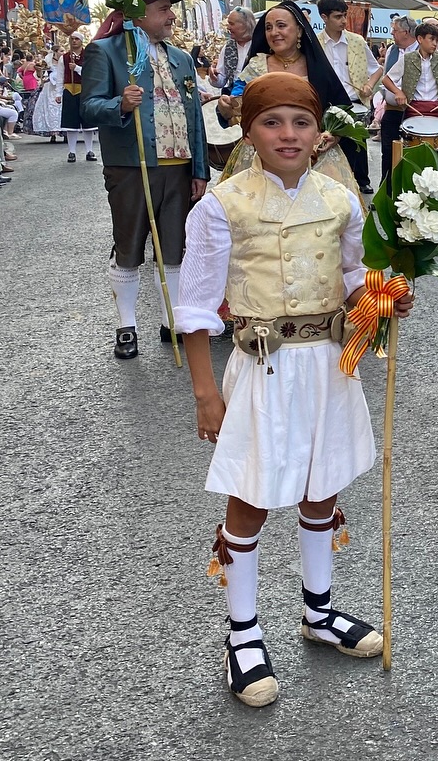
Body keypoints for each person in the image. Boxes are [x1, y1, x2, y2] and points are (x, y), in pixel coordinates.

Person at [174, 72, 413, 708]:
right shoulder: (222, 205)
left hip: (331, 364)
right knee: (251, 496)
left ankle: (320, 609)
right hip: (263, 365)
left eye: (300, 122)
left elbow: (357, 275)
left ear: (319, 133)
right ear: (248, 131)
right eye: (273, 122)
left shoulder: (340, 199)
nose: (288, 134)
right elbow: (195, 306)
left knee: (320, 484)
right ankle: (243, 635)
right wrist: (205, 392)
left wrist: (387, 297)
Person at [81, 0, 208, 360]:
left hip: (179, 166)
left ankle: (172, 320)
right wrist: (119, 104)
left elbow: (194, 118)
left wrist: (199, 169)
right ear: (138, 14)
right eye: (163, 9)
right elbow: (88, 107)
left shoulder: (182, 58)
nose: (171, 16)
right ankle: (126, 325)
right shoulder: (104, 51)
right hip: (131, 167)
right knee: (130, 247)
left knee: (174, 249)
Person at [216, 2, 362, 201]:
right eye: (268, 27)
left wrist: (333, 134)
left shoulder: (317, 68)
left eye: (281, 25)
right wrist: (226, 108)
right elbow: (236, 103)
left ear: (299, 31)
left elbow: (342, 110)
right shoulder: (257, 66)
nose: (274, 32)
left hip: (316, 159)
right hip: (262, 157)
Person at [316, 0, 383, 195]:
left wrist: (369, 85)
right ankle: (328, 181)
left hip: (354, 100)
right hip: (326, 102)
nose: (344, 21)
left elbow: (377, 69)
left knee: (357, 144)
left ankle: (362, 180)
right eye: (338, 17)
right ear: (324, 17)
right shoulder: (315, 44)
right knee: (326, 143)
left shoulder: (357, 41)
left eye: (344, 16)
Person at [378, 20, 438, 179]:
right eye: (431, 39)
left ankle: (437, 185)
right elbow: (386, 79)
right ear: (419, 39)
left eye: (437, 40)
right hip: (413, 110)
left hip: (437, 110)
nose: (435, 44)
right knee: (412, 154)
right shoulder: (407, 59)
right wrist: (398, 92)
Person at [376, 16, 417, 172]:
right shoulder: (392, 50)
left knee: (411, 149)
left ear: (406, 32)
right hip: (392, 108)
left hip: (413, 109)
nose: (392, 33)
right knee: (387, 148)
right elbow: (387, 76)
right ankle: (386, 186)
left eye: (395, 30)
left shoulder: (421, 50)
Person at [57, 24, 99, 162]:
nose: (74, 41)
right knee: (71, 124)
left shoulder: (89, 55)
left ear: (81, 41)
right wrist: (58, 93)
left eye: (76, 39)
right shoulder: (64, 57)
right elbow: (60, 76)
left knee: (88, 124)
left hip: (85, 90)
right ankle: (72, 152)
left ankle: (89, 151)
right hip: (70, 90)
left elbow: (92, 73)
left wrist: (77, 68)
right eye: (72, 39)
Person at [214, 7, 258, 93]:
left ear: (245, 24)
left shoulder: (260, 45)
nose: (228, 28)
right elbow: (221, 81)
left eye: (231, 24)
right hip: (234, 97)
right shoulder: (228, 47)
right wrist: (214, 77)